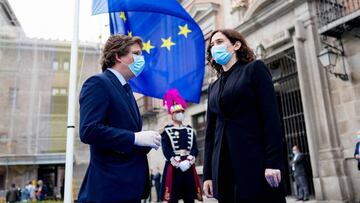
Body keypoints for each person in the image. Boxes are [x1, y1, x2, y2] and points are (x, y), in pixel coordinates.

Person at [202, 29, 286, 203]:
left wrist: (273, 162)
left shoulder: (254, 69)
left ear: (236, 45)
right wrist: (208, 175)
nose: (214, 47)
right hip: (223, 167)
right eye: (211, 45)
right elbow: (210, 134)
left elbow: (271, 118)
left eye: (219, 42)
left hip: (254, 162)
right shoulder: (213, 87)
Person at [77, 34, 161, 203]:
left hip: (130, 189)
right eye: (136, 54)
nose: (141, 59)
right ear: (118, 56)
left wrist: (148, 141)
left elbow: (126, 141)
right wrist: (135, 138)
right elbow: (89, 130)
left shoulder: (126, 89)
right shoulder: (97, 83)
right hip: (109, 189)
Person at [160, 89, 202, 203]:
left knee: (190, 197)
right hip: (174, 167)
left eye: (182, 112)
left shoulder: (190, 130)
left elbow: (194, 148)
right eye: (177, 112)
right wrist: (177, 163)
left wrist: (189, 161)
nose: (180, 114)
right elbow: (166, 150)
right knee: (173, 198)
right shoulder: (166, 131)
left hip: (188, 165)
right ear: (172, 114)